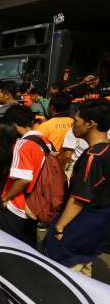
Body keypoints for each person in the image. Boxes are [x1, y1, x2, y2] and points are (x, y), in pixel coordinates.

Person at [45, 101, 110, 276]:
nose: (73, 126)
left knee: (66, 275)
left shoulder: (93, 157)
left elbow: (79, 198)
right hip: (100, 225)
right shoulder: (106, 151)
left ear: (91, 124)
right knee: (85, 272)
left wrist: (59, 227)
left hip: (81, 224)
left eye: (76, 121)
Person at [0, 105, 51, 247]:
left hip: (17, 206)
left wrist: (5, 198)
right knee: (27, 245)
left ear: (13, 124)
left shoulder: (23, 144)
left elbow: (24, 178)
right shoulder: (44, 140)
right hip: (34, 203)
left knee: (8, 246)